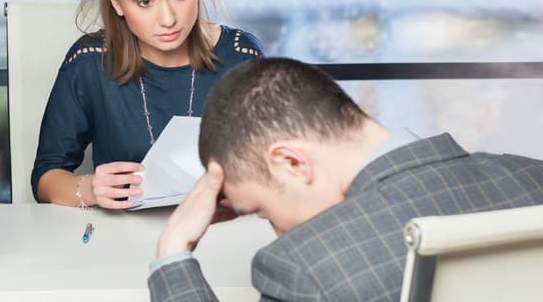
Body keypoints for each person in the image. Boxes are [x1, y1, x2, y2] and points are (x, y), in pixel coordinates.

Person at [148, 58, 543, 301]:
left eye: (263, 211)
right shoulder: (533, 178)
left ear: (292, 161)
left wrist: (173, 256)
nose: (279, 233)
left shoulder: (305, 267)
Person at [32, 0, 264, 209]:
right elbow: (45, 178)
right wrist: (90, 189)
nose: (168, 19)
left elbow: (270, 171)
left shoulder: (240, 56)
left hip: (219, 232)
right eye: (144, 1)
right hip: (121, 239)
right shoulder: (90, 62)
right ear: (115, 0)